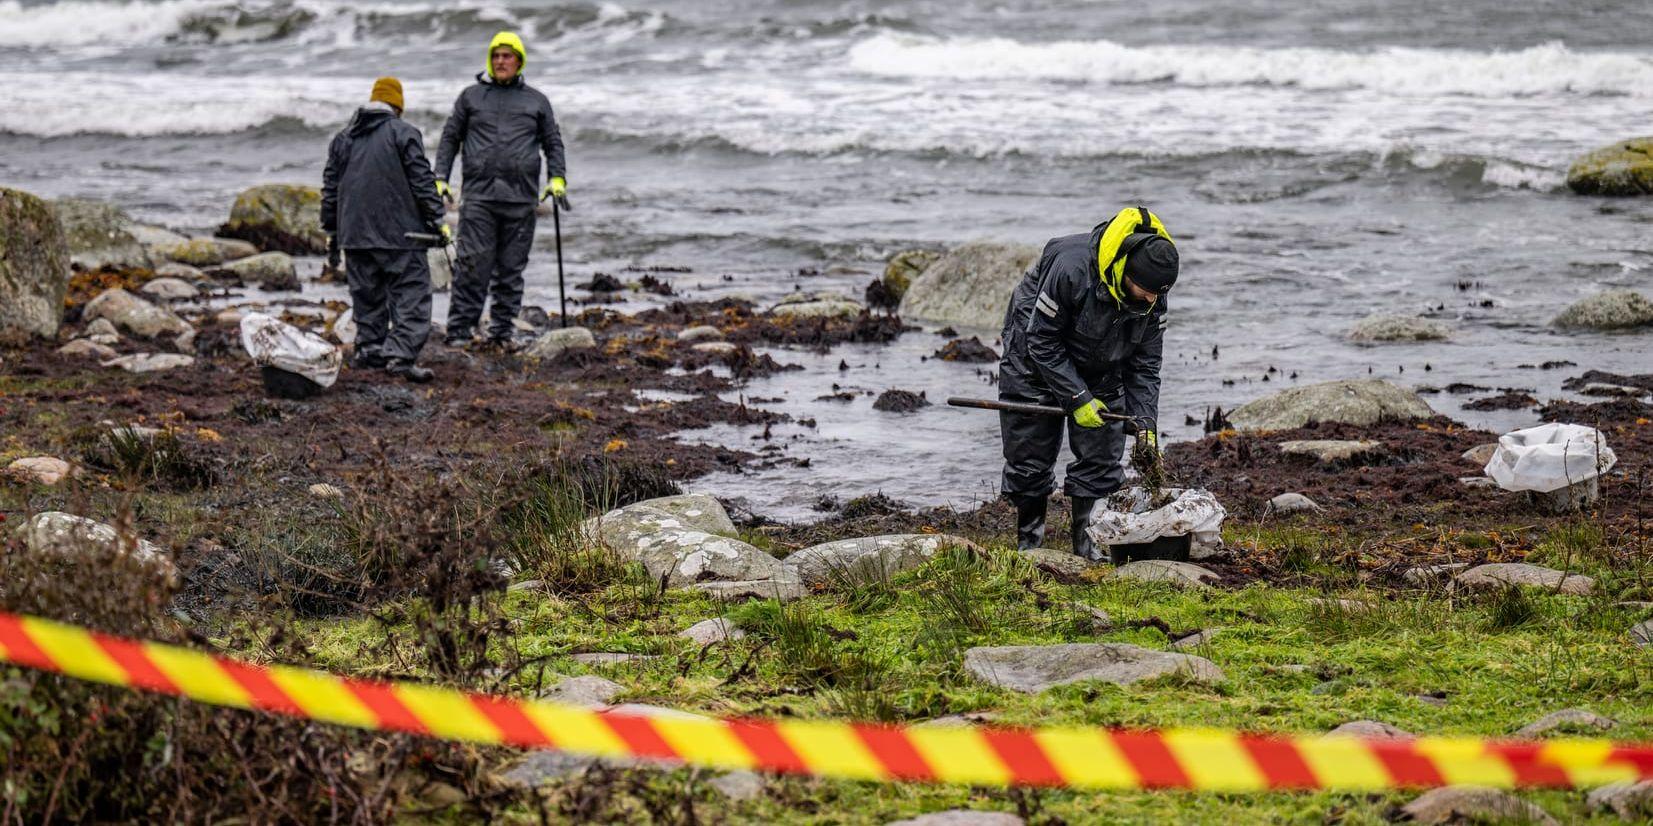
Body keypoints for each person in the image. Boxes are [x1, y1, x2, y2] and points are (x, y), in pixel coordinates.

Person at [997, 206, 1179, 560]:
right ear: (1125, 269)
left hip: (1105, 357)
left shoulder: (1152, 290)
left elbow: (1145, 365)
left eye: (1158, 295)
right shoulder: (1072, 268)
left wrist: (1145, 425)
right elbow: (1042, 341)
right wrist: (1077, 397)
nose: (1152, 301)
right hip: (1034, 350)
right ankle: (1029, 544)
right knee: (1030, 453)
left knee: (1101, 456)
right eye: (1145, 292)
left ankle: (1087, 548)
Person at [435, 31, 567, 348]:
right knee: (472, 266)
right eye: (496, 56)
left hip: (520, 200)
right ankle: (459, 331)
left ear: (519, 61)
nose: (500, 61)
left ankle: (501, 332)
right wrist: (440, 175)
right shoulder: (470, 97)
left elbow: (553, 143)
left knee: (510, 270)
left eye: (507, 56)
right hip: (479, 197)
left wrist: (557, 178)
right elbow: (450, 138)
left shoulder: (536, 101)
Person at [321, 77, 448, 383]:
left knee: (367, 295)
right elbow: (422, 182)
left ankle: (371, 349)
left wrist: (332, 232)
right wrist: (437, 219)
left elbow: (331, 189)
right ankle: (401, 358)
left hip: (354, 235)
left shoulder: (343, 138)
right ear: (397, 106)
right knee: (411, 294)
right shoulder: (404, 133)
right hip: (400, 235)